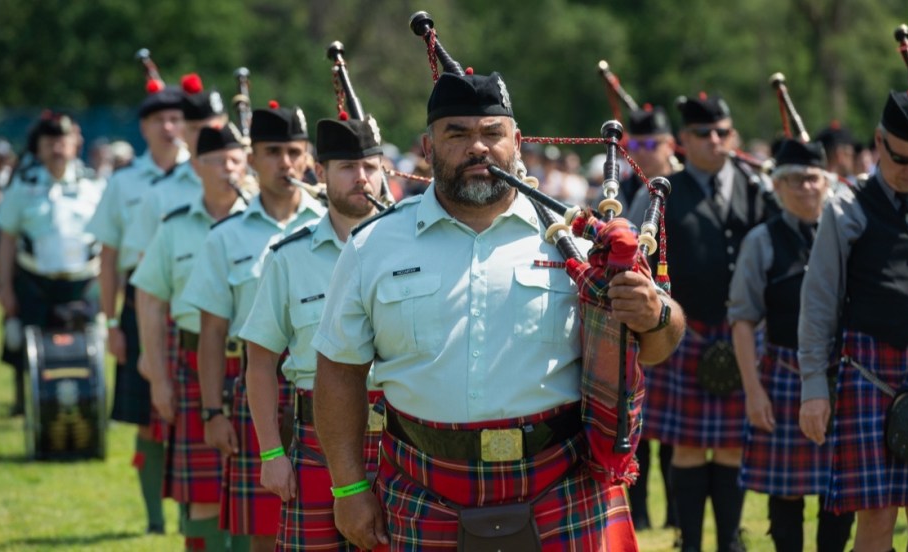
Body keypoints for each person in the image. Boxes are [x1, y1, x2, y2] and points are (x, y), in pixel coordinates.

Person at [311, 71, 684, 551]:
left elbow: (657, 345)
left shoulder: (584, 239)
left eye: (492, 133)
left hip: (563, 482)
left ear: (518, 143)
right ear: (427, 147)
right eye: (457, 134)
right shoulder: (374, 247)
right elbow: (339, 370)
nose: (478, 148)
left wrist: (654, 312)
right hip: (423, 484)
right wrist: (348, 487)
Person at [629, 92, 778, 552]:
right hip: (684, 336)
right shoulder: (660, 192)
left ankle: (730, 539)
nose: (714, 141)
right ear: (683, 142)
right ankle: (689, 540)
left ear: (732, 135)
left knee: (734, 446)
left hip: (743, 334)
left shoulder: (758, 187)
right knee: (689, 448)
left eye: (722, 132)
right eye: (702, 134)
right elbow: (635, 257)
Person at [798, 90, 908, 552]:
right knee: (877, 520)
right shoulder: (846, 206)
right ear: (879, 142)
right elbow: (818, 302)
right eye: (902, 159)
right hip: (871, 375)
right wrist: (814, 387)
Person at [182, 102, 324, 551]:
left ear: (307, 157)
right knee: (265, 529)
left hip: (323, 382)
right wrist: (213, 411)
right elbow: (212, 333)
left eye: (294, 151)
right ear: (253, 159)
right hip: (257, 383)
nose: (285, 162)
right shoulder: (225, 237)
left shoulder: (332, 225)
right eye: (272, 152)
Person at [240, 115, 385, 550]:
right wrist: (271, 454)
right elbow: (260, 361)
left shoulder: (408, 247)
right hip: (317, 437)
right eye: (346, 167)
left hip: (403, 440)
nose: (362, 178)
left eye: (372, 166)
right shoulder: (287, 258)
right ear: (319, 173)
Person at [728, 140, 854, 552]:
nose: (806, 188)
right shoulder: (761, 242)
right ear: (778, 187)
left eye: (813, 178)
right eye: (795, 180)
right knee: (786, 495)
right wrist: (753, 391)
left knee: (841, 491)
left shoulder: (849, 237)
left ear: (827, 183)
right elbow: (743, 320)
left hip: (844, 379)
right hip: (782, 376)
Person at [131, 123, 248, 552]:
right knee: (203, 497)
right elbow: (148, 299)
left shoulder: (265, 222)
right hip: (195, 364)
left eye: (235, 159)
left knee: (264, 490)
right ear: (196, 167)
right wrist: (158, 376)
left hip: (260, 366)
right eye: (217, 161)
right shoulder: (175, 227)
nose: (228, 169)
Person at [86, 84, 186, 535]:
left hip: (191, 302)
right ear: (144, 127)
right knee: (148, 416)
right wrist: (110, 323)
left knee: (196, 417)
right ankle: (152, 521)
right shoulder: (124, 182)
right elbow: (107, 259)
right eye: (159, 120)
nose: (169, 127)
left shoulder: (205, 172)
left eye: (176, 118)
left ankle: (192, 513)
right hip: (138, 301)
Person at [0, 111, 105, 416]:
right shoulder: (22, 186)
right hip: (35, 282)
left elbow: (109, 240)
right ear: (38, 147)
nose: (57, 147)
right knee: (21, 343)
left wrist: (108, 290)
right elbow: (6, 239)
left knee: (88, 350)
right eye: (50, 141)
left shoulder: (94, 184)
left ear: (75, 144)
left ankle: (88, 404)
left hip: (83, 283)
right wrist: (5, 287)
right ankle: (25, 403)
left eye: (63, 140)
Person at [621, 104, 680, 533]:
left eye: (649, 144)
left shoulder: (678, 187)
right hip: (641, 320)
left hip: (679, 320)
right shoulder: (625, 188)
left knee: (677, 436)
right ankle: (639, 511)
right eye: (633, 145)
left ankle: (677, 515)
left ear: (669, 145)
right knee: (640, 426)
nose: (640, 152)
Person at [124, 73, 230, 258]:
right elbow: (148, 272)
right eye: (195, 129)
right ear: (183, 132)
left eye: (211, 129)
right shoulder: (159, 193)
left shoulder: (253, 183)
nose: (204, 137)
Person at [816, 122, 858, 187]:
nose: (853, 160)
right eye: (850, 155)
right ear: (839, 154)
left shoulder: (809, 185)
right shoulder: (844, 188)